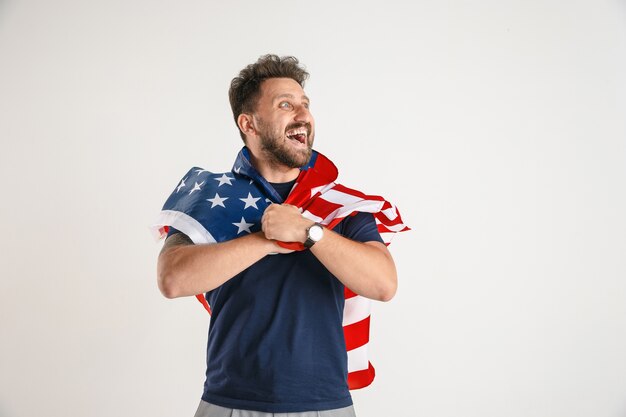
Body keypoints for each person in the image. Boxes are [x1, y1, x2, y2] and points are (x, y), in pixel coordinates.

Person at [154, 54, 406, 417]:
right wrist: (267, 240)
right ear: (249, 123)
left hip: (324, 405)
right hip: (228, 403)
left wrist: (308, 231)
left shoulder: (340, 205)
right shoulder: (209, 196)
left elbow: (384, 284)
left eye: (305, 105)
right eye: (285, 105)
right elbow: (172, 278)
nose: (302, 115)